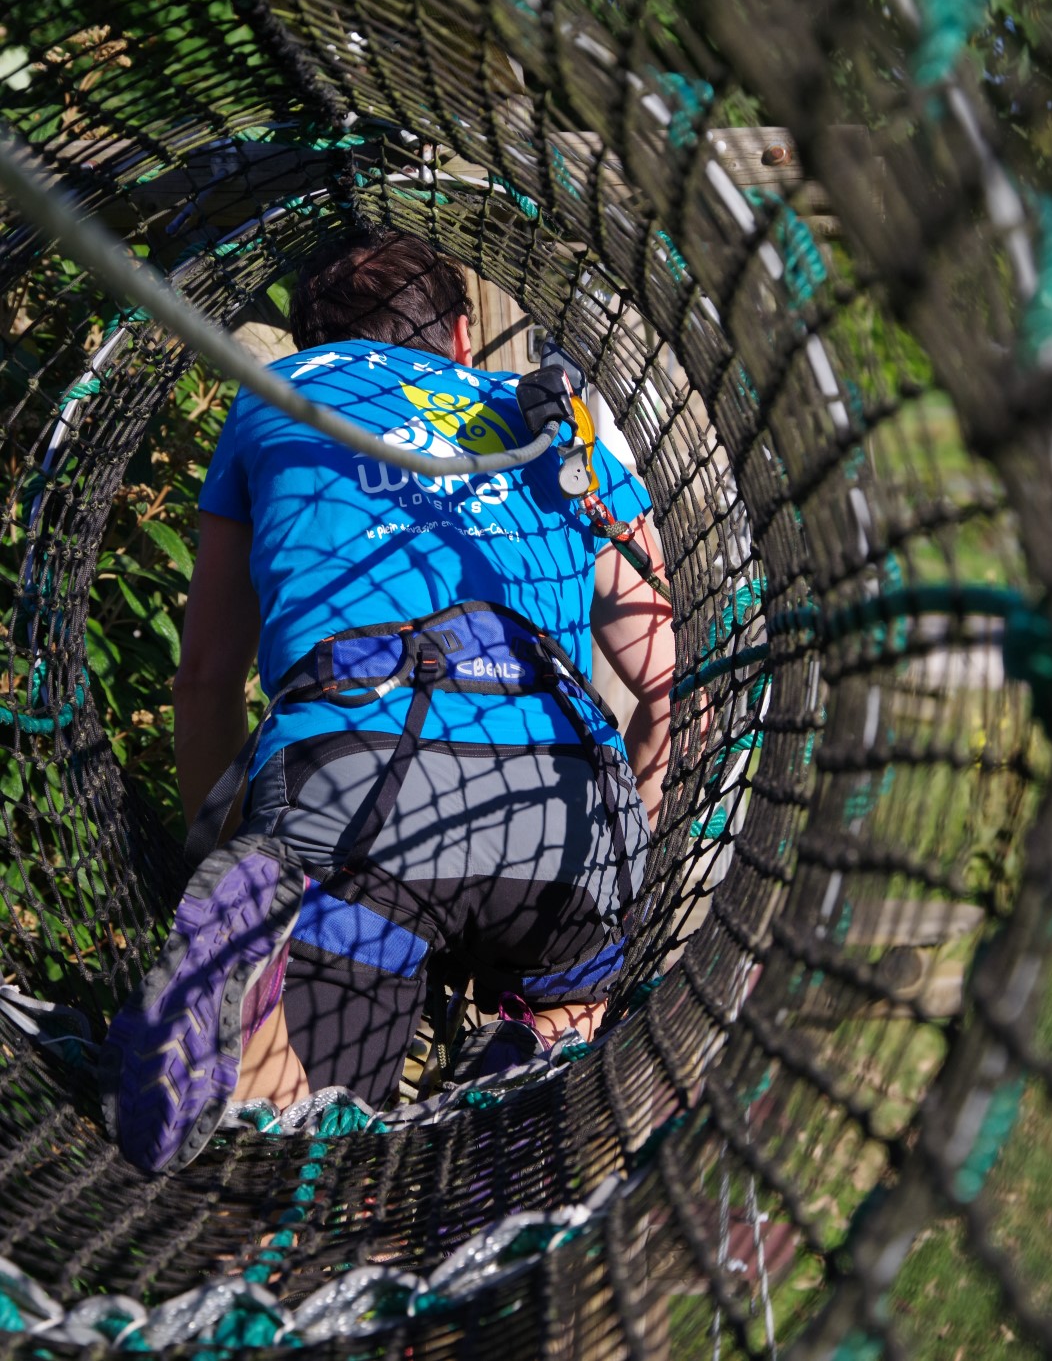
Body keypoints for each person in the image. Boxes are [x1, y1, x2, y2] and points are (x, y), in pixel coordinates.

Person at [101, 222, 675, 1173]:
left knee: (294, 1150)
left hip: (360, 782)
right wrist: (625, 869)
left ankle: (259, 1003)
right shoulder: (547, 423)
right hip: (564, 805)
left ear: (315, 339)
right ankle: (530, 1059)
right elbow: (661, 682)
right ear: (461, 335)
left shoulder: (280, 397)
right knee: (571, 1003)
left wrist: (228, 842)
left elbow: (204, 678)